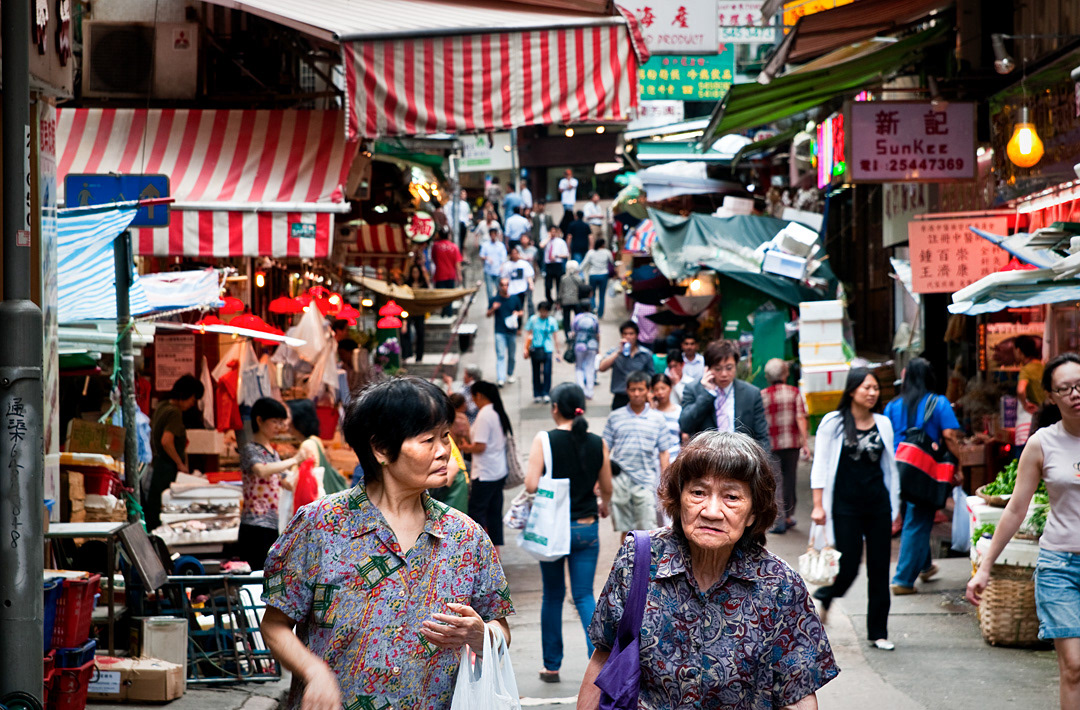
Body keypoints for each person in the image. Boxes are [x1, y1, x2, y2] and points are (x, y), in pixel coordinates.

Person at [261, 377, 513, 710]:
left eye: (445, 437)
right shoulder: (319, 525)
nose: (444, 452)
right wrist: (314, 671)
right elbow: (275, 625)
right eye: (427, 440)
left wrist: (482, 636)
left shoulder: (466, 537)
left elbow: (501, 626)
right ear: (381, 449)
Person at [579, 431, 838, 710]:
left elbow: (797, 694)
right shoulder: (639, 560)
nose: (712, 511)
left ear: (753, 513)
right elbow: (604, 656)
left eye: (731, 497)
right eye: (698, 493)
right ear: (679, 501)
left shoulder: (780, 585)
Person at [967, 353, 1080, 710]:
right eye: (1065, 388)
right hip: (1059, 567)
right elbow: (1017, 508)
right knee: (1074, 666)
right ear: (1050, 396)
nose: (1075, 393)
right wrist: (985, 566)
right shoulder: (1041, 444)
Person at [525, 384, 612, 684]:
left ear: (554, 407)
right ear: (581, 408)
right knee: (585, 596)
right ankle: (597, 666)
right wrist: (605, 505)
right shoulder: (597, 442)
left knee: (552, 595)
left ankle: (551, 666)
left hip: (553, 530)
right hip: (587, 527)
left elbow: (530, 484)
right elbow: (607, 487)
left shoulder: (544, 440)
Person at [810, 368, 901, 651]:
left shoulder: (883, 423)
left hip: (878, 506)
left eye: (875, 388)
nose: (872, 393)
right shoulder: (833, 423)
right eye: (866, 388)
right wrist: (817, 505)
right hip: (845, 505)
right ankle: (826, 594)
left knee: (879, 569)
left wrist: (895, 507)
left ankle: (879, 632)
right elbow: (821, 465)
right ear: (852, 391)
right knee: (848, 566)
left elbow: (890, 468)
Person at [883, 357, 962, 594]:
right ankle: (903, 579)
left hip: (896, 468)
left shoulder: (893, 405)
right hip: (922, 470)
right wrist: (959, 464)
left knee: (913, 516)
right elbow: (949, 435)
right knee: (918, 519)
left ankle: (925, 566)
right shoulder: (938, 403)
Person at [237, 398, 310, 569]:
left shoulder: (273, 453)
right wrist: (294, 459)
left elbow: (285, 482)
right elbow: (261, 470)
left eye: (281, 422)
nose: (279, 427)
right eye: (275, 422)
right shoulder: (250, 450)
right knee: (256, 574)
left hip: (272, 524)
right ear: (260, 420)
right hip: (254, 525)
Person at [602, 371, 675, 539]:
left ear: (648, 390)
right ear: (627, 390)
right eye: (633, 389)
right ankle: (626, 564)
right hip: (620, 480)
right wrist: (601, 480)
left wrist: (664, 481)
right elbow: (604, 449)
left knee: (646, 532)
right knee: (625, 531)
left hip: (645, 481)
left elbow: (664, 453)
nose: (636, 394)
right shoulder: (615, 417)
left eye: (640, 389)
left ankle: (643, 565)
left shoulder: (658, 419)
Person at [679, 340, 772, 457]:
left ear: (736, 366)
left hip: (741, 459)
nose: (724, 374)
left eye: (729, 368)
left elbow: (762, 436)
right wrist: (707, 394)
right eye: (718, 369)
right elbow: (685, 425)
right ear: (708, 368)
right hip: (706, 460)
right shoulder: (694, 389)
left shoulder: (751, 393)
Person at [147, 374, 205, 531]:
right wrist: (180, 463)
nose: (193, 404)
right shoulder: (174, 412)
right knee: (164, 508)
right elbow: (166, 441)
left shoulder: (162, 406)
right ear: (185, 395)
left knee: (154, 506)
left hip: (157, 464)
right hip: (166, 467)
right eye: (193, 399)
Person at [459, 381, 512, 548]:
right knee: (494, 513)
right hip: (498, 470)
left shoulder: (484, 415)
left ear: (479, 395)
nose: (473, 401)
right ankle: (496, 551)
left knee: (477, 512)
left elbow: (480, 446)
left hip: (485, 472)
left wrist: (466, 447)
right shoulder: (496, 412)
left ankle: (479, 550)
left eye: (473, 397)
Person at [761, 358, 810, 533]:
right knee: (790, 479)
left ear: (768, 376)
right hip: (791, 444)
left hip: (772, 444)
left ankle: (778, 519)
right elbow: (800, 417)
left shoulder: (763, 394)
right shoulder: (794, 392)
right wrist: (805, 442)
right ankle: (788, 516)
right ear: (784, 374)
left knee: (775, 481)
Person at [285, 398, 349, 496]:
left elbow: (304, 482)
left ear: (298, 419)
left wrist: (281, 478)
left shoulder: (307, 445)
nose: (285, 422)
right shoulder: (315, 440)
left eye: (288, 417)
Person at [598, 320, 655, 410]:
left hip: (639, 396)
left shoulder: (645, 354)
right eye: (625, 334)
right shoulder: (614, 352)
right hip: (620, 396)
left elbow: (651, 375)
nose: (628, 337)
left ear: (637, 335)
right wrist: (618, 352)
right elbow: (601, 367)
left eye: (631, 334)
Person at [487, 277, 523, 387]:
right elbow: (488, 314)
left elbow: (521, 311)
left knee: (511, 355)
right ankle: (501, 377)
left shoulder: (515, 299)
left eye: (507, 285)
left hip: (511, 331)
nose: (505, 287)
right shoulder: (494, 299)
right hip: (500, 331)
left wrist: (517, 314)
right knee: (501, 355)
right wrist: (493, 308)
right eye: (502, 285)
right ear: (499, 286)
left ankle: (510, 373)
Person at [525, 301, 562, 403]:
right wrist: (526, 348)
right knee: (536, 372)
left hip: (547, 349)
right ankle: (537, 393)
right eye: (542, 311)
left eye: (545, 311)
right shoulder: (533, 320)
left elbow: (555, 336)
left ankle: (546, 392)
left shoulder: (551, 321)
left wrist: (558, 351)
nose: (544, 314)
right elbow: (528, 334)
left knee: (547, 372)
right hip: (535, 348)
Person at [1016, 335, 1046, 447]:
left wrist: (1025, 404)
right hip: (1046, 418)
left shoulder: (1026, 369)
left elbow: (1020, 390)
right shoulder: (1044, 367)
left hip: (1029, 421)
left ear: (1018, 351)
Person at [571, 302, 601, 400]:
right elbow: (597, 334)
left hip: (579, 345)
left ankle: (580, 389)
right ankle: (589, 391)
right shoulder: (594, 318)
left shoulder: (577, 318)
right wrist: (598, 347)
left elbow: (573, 332)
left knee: (579, 367)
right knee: (590, 368)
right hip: (592, 345)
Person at [651, 373, 682, 465]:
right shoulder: (650, 411)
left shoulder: (678, 411)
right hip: (653, 460)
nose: (660, 392)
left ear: (670, 388)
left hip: (675, 459)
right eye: (656, 389)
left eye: (663, 388)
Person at [579, 239, 614, 318]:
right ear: (602, 244)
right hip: (604, 275)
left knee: (592, 294)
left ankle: (593, 310)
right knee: (602, 296)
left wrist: (577, 270)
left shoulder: (591, 252)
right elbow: (612, 262)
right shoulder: (607, 252)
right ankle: (600, 314)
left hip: (593, 275)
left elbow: (584, 263)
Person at [431, 229, 463, 317]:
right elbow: (457, 263)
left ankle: (444, 313)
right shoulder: (454, 247)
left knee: (442, 296)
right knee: (449, 296)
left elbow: (434, 259)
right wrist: (459, 275)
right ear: (448, 235)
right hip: (451, 275)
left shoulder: (436, 246)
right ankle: (448, 313)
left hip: (439, 275)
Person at [403, 264, 429, 361]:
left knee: (420, 333)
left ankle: (419, 356)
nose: (415, 274)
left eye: (416, 272)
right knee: (406, 332)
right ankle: (407, 353)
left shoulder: (423, 284)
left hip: (420, 311)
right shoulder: (407, 284)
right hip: (409, 311)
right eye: (413, 272)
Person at [541, 226, 570, 304]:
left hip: (557, 264)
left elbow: (566, 254)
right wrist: (548, 238)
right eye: (551, 231)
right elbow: (541, 245)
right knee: (548, 284)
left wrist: (557, 255)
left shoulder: (561, 242)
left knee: (559, 284)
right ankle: (549, 300)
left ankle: (559, 300)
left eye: (554, 232)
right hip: (548, 265)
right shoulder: (546, 241)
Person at [479, 227, 508, 304]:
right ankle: (491, 304)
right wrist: (486, 258)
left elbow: (503, 258)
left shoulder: (500, 245)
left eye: (494, 234)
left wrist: (502, 266)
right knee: (489, 289)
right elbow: (481, 255)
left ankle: (499, 302)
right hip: (488, 270)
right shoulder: (485, 245)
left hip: (498, 270)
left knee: (499, 288)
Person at [559, 261, 586, 334]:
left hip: (565, 301)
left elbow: (561, 291)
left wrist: (559, 301)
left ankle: (568, 335)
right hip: (576, 301)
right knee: (578, 319)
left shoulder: (563, 278)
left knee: (566, 320)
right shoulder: (579, 279)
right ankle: (577, 333)